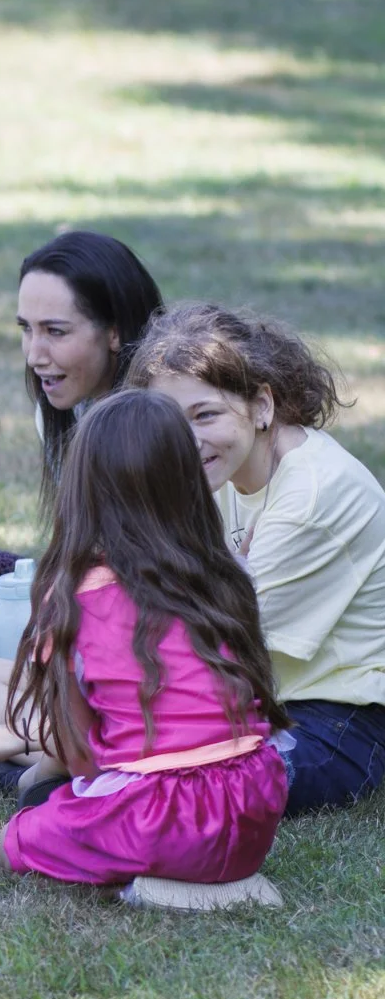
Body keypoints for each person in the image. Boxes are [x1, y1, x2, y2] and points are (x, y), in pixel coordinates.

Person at [0, 391, 288, 886]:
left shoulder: (75, 596)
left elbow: (77, 752)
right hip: (252, 808)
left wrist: (34, 781)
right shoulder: (225, 574)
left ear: (82, 489)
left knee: (23, 834)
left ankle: (147, 866)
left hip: (156, 817)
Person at [130, 303, 385, 816]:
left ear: (262, 406)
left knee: (175, 790)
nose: (187, 441)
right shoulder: (215, 472)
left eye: (206, 415)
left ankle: (43, 763)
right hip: (249, 701)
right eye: (169, 423)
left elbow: (217, 655)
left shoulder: (311, 497)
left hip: (338, 724)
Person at [0, 232, 164, 650]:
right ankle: (38, 654)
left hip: (156, 606)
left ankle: (37, 660)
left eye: (55, 331)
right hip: (94, 593)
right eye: (26, 329)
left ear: (113, 331)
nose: (34, 354)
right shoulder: (59, 412)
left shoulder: (164, 414)